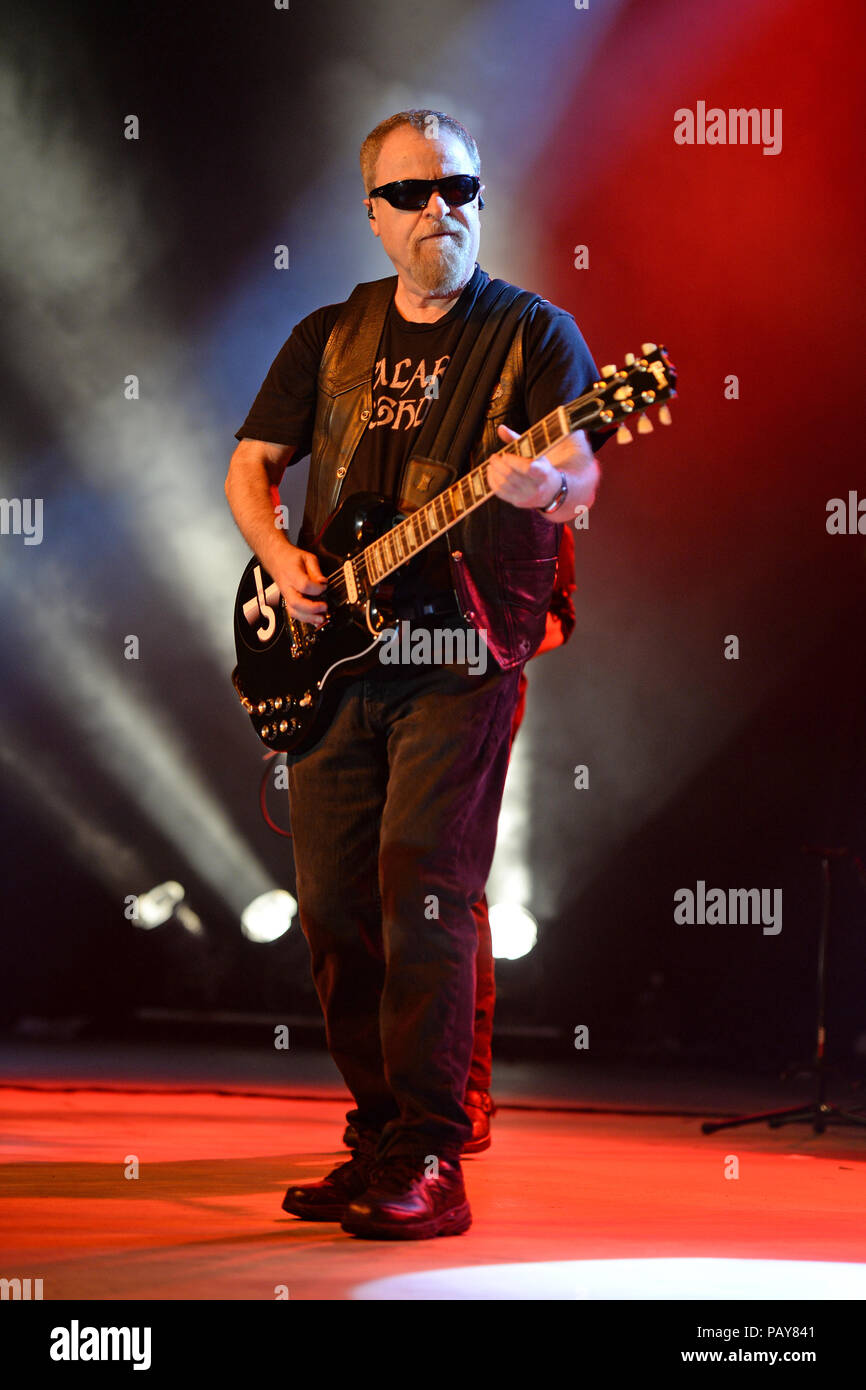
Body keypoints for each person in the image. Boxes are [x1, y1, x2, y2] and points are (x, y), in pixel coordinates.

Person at [225, 108, 605, 1240]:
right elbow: (252, 466)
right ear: (373, 214)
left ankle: (433, 1152)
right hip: (336, 658)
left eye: (459, 188)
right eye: (410, 194)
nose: (438, 208)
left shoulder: (534, 333)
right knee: (335, 904)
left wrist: (538, 483)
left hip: (463, 652)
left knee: (420, 884)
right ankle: (381, 1133)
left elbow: (578, 473)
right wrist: (279, 555)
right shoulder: (331, 336)